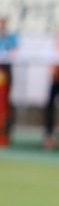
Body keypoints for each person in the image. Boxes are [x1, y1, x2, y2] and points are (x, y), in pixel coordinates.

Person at [0, 17, 18, 147]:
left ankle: (5, 135)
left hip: (5, 73)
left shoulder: (11, 38)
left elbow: (15, 52)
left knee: (5, 106)